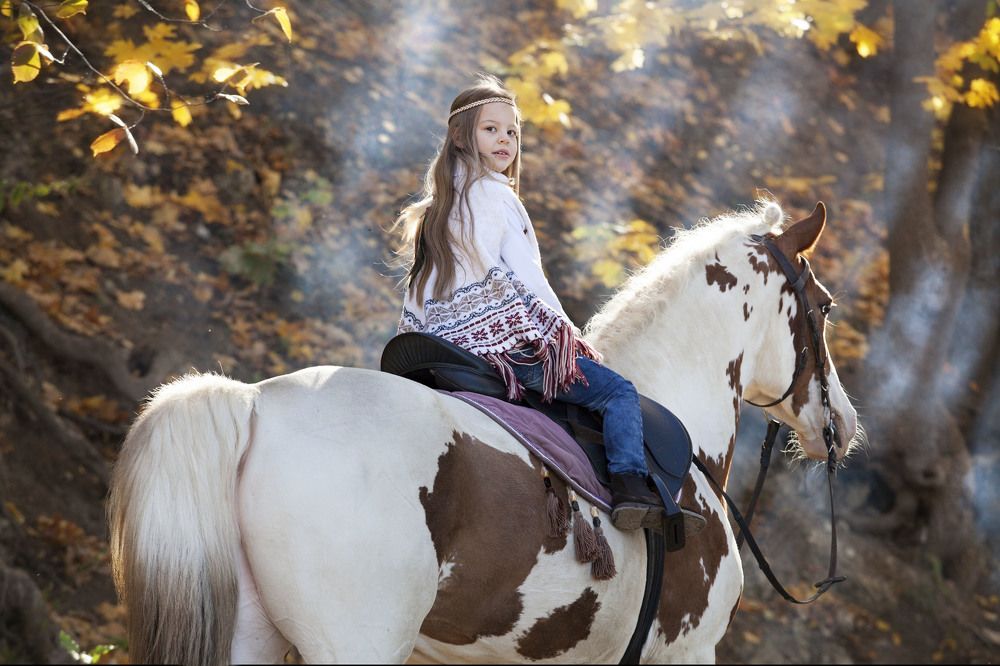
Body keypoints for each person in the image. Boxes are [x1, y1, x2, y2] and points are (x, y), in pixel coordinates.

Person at [394, 74, 665, 531]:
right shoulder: (497, 196)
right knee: (617, 392)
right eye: (491, 129)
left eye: (512, 132)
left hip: (443, 351)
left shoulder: (436, 208)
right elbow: (530, 281)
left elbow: (418, 293)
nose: (505, 140)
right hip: (509, 352)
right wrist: (567, 338)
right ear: (460, 136)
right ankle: (630, 487)